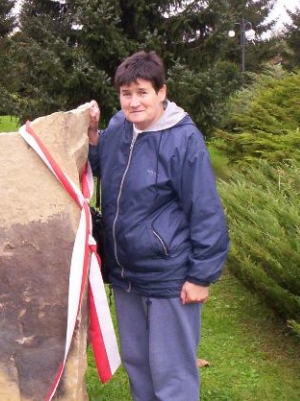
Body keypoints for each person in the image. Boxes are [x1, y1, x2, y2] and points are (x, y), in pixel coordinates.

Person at [87, 50, 229, 401]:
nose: (133, 102)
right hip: (126, 274)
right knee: (138, 364)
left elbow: (205, 210)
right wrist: (91, 134)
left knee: (171, 371)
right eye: (126, 94)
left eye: (142, 92)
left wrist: (200, 277)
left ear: (161, 92)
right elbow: (101, 163)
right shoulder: (120, 127)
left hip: (169, 277)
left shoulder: (183, 139)